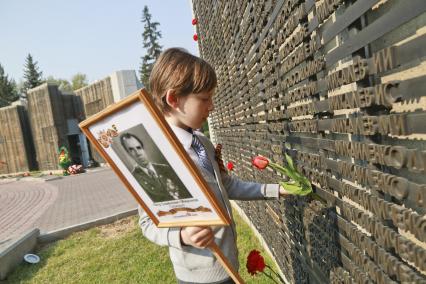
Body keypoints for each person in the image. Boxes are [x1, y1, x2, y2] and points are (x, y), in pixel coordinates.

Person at [139, 48, 292, 284]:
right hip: (199, 278)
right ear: (173, 99)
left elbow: (226, 186)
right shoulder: (156, 158)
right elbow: (148, 223)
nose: (211, 106)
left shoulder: (204, 144)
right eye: (204, 99)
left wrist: (277, 190)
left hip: (229, 265)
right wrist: (181, 235)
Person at [121, 132, 192, 203]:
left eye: (139, 148)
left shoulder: (166, 168)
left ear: (143, 149)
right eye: (131, 150)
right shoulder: (134, 179)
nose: (138, 153)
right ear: (128, 153)